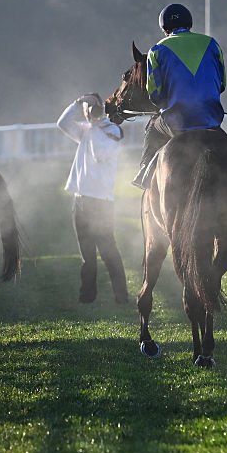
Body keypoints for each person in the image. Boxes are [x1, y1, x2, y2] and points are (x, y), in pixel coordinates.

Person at [132, 3, 226, 188]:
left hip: (176, 122)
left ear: (165, 29)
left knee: (152, 126)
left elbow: (155, 94)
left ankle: (144, 172)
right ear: (190, 24)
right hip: (211, 118)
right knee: (226, 144)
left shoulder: (157, 50)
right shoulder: (212, 44)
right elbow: (222, 84)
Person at [57, 94, 129, 303]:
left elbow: (99, 154)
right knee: (87, 255)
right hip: (80, 200)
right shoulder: (87, 131)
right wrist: (77, 102)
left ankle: (121, 297)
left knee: (109, 252)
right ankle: (87, 297)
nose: (89, 113)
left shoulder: (112, 131)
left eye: (93, 109)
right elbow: (62, 123)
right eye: (88, 109)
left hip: (101, 202)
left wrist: (96, 122)